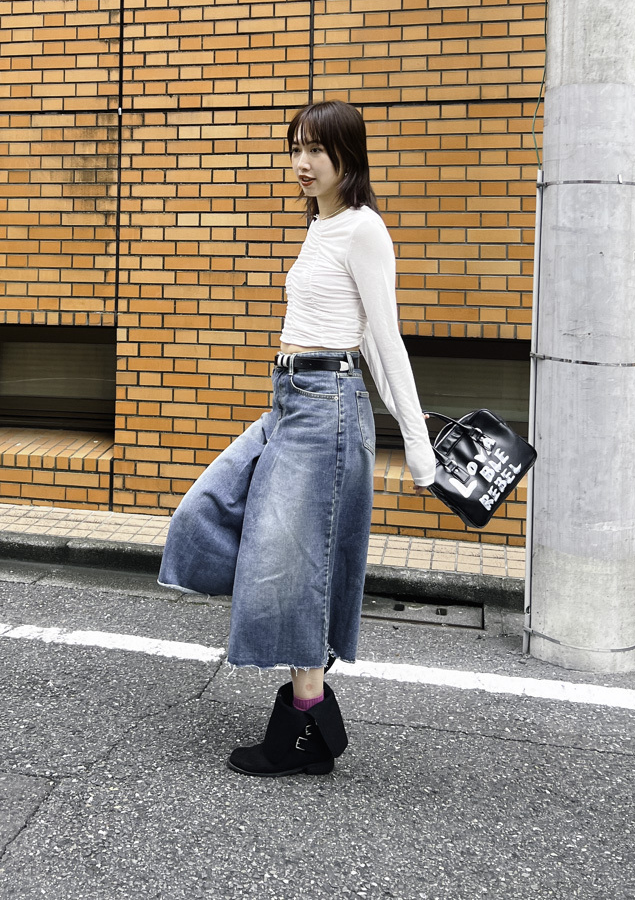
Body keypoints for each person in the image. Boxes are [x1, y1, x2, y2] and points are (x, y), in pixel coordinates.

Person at [158, 98, 437, 776]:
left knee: (296, 562)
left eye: (316, 149)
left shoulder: (364, 229)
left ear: (348, 155)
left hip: (326, 406)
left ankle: (303, 726)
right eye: (296, 148)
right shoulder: (321, 224)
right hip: (289, 400)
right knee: (204, 514)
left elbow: (383, 339)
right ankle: (307, 705)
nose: (302, 162)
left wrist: (417, 440)